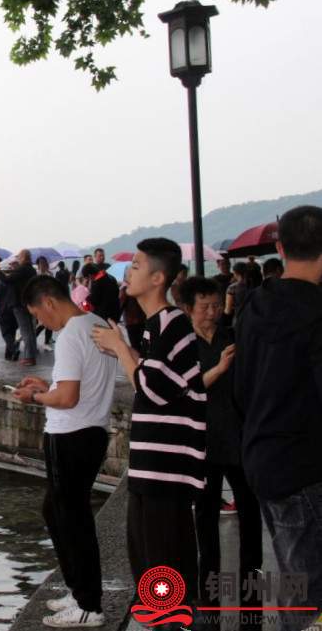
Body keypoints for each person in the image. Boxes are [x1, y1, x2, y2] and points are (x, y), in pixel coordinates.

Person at [91, 237, 206, 611]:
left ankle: (173, 620)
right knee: (147, 556)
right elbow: (154, 379)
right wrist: (124, 349)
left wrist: (120, 349)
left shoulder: (173, 323)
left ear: (158, 278)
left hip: (165, 468)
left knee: (162, 560)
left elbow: (152, 389)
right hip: (151, 464)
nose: (129, 272)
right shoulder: (156, 325)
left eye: (137, 266)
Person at [234, 205, 322, 628]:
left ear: (281, 248)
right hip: (307, 466)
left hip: (261, 459)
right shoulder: (317, 313)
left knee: (295, 580)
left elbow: (241, 388)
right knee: (310, 588)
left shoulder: (254, 304)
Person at [12, 275, 117, 628]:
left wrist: (35, 396)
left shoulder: (71, 334)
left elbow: (68, 398)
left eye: (37, 315)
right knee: (58, 511)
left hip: (70, 434)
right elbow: (77, 386)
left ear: (49, 302)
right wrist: (48, 386)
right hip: (92, 432)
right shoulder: (96, 323)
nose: (40, 322)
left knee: (72, 519)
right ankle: (78, 590)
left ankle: (88, 605)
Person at [179, 277, 262, 631]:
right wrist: (219, 369)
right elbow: (185, 390)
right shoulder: (183, 345)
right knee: (205, 521)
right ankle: (208, 602)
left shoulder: (233, 337)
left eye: (216, 305)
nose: (212, 313)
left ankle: (252, 602)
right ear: (188, 309)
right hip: (203, 441)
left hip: (239, 438)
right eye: (205, 307)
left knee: (251, 518)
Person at [0, 250, 38, 366]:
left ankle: (29, 357)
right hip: (29, 302)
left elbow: (7, 280)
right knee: (31, 330)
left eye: (19, 257)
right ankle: (32, 355)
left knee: (25, 331)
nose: (18, 259)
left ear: (24, 257)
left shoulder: (22, 269)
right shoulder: (32, 270)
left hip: (19, 303)